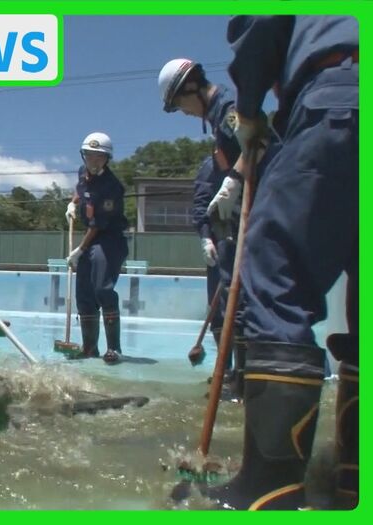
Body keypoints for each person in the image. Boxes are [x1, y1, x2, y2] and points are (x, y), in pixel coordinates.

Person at [197, 17, 358, 510]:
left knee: (276, 269)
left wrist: (249, 112)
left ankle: (269, 489)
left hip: (341, 100)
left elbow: (264, 23)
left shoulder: (227, 104)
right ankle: (354, 478)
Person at [158, 58, 248, 387]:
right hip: (234, 224)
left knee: (243, 302)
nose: (183, 112)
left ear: (190, 88)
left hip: (257, 214)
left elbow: (259, 140)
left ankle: (243, 380)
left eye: (179, 104)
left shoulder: (226, 107)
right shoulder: (215, 117)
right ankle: (237, 376)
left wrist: (234, 179)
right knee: (234, 303)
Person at [65, 132, 129, 364]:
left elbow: (97, 225)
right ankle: (89, 347)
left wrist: (79, 250)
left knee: (102, 288)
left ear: (106, 158)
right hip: (90, 238)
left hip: (109, 240)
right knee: (84, 292)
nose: (92, 161)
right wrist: (73, 203)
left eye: (98, 157)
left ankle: (114, 349)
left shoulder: (112, 187)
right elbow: (80, 189)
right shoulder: (83, 173)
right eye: (88, 155)